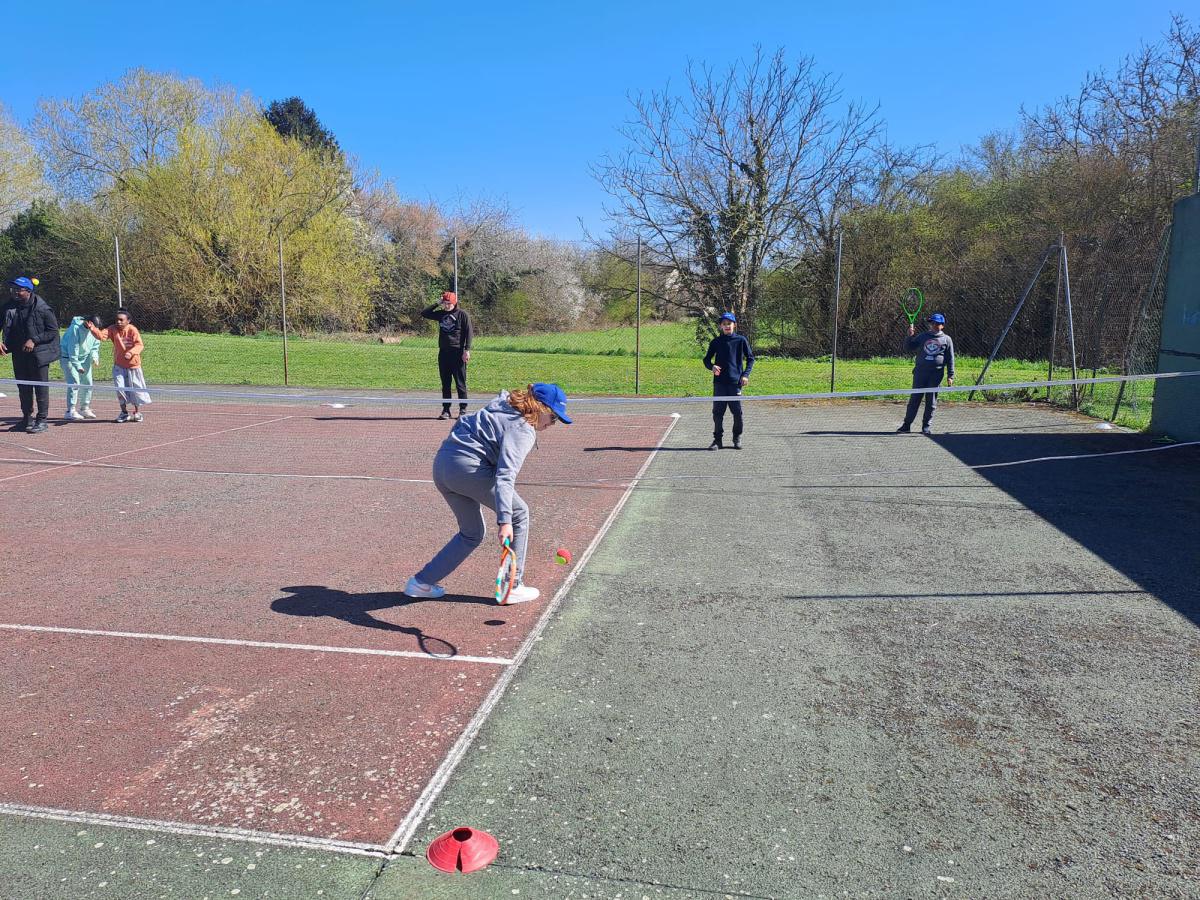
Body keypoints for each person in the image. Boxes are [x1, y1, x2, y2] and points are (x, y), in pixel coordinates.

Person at [404, 382, 572, 605]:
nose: (554, 423)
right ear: (539, 408)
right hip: (468, 470)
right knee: (519, 512)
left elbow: (463, 423)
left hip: (443, 465)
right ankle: (513, 586)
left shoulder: (500, 406)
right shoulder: (523, 429)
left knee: (471, 533)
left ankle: (421, 583)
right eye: (553, 417)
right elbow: (505, 476)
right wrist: (505, 520)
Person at [1, 276, 59, 433]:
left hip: (39, 354)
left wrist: (34, 340)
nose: (14, 292)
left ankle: (42, 421)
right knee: (23, 387)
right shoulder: (9, 306)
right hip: (19, 353)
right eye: (13, 289)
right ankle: (26, 419)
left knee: (40, 388)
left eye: (18, 290)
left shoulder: (42, 308)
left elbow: (53, 331)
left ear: (28, 291)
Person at [86, 308, 152, 423]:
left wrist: (131, 352)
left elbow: (139, 345)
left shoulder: (132, 330)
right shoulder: (112, 329)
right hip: (119, 366)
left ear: (128, 321)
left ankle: (137, 412)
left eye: (121, 320)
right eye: (117, 320)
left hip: (133, 366)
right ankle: (124, 413)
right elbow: (102, 336)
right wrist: (93, 329)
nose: (119, 322)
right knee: (120, 388)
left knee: (135, 389)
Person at [703, 312, 755, 450]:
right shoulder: (716, 342)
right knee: (718, 413)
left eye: (729, 324)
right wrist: (712, 366)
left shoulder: (741, 340)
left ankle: (736, 437)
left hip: (735, 383)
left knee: (737, 412)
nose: (727, 326)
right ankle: (717, 440)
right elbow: (706, 360)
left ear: (734, 325)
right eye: (724, 324)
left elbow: (751, 359)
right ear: (721, 326)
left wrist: (745, 375)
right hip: (719, 383)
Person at [898, 312, 955, 435]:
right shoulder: (923, 336)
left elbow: (950, 359)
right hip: (920, 373)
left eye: (937, 324)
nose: (934, 325)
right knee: (914, 399)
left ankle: (926, 427)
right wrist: (909, 336)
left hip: (936, 375)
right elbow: (909, 348)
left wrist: (951, 375)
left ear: (942, 326)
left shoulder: (947, 339)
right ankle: (906, 425)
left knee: (931, 401)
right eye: (932, 323)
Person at [421, 290, 473, 420]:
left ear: (454, 303)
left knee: (460, 383)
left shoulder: (462, 315)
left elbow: (469, 333)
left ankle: (463, 409)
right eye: (445, 303)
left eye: (449, 303)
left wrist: (467, 350)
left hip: (458, 353)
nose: (447, 305)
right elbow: (424, 313)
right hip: (444, 353)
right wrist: (437, 303)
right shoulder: (441, 314)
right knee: (445, 383)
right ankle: (446, 410)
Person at [60, 315, 103, 420]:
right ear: (88, 322)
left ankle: (84, 408)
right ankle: (70, 410)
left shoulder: (95, 330)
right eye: (93, 327)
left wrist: (94, 357)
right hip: (68, 358)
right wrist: (77, 366)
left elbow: (95, 345)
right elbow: (73, 349)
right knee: (74, 382)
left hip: (85, 357)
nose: (94, 330)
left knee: (88, 382)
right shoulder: (75, 329)